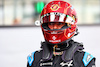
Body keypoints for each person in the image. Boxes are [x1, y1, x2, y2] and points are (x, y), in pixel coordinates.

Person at [27, 0, 96, 67]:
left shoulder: (84, 60)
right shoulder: (34, 58)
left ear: (70, 25)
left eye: (59, 23)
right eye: (51, 23)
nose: (54, 27)